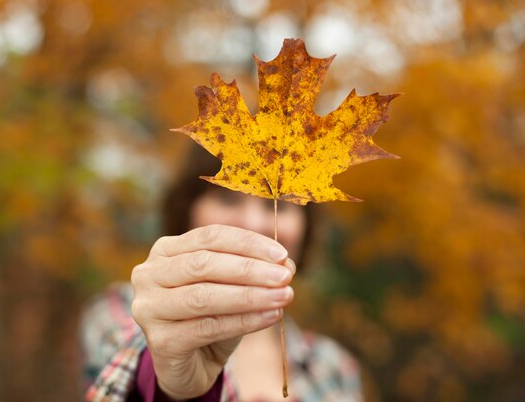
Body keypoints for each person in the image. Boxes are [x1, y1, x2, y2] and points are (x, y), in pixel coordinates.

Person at [81, 146, 363, 402]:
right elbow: (123, 364)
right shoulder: (126, 309)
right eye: (228, 198)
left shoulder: (333, 367)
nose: (252, 223)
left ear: (305, 228)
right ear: (187, 212)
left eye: (276, 203)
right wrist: (171, 383)